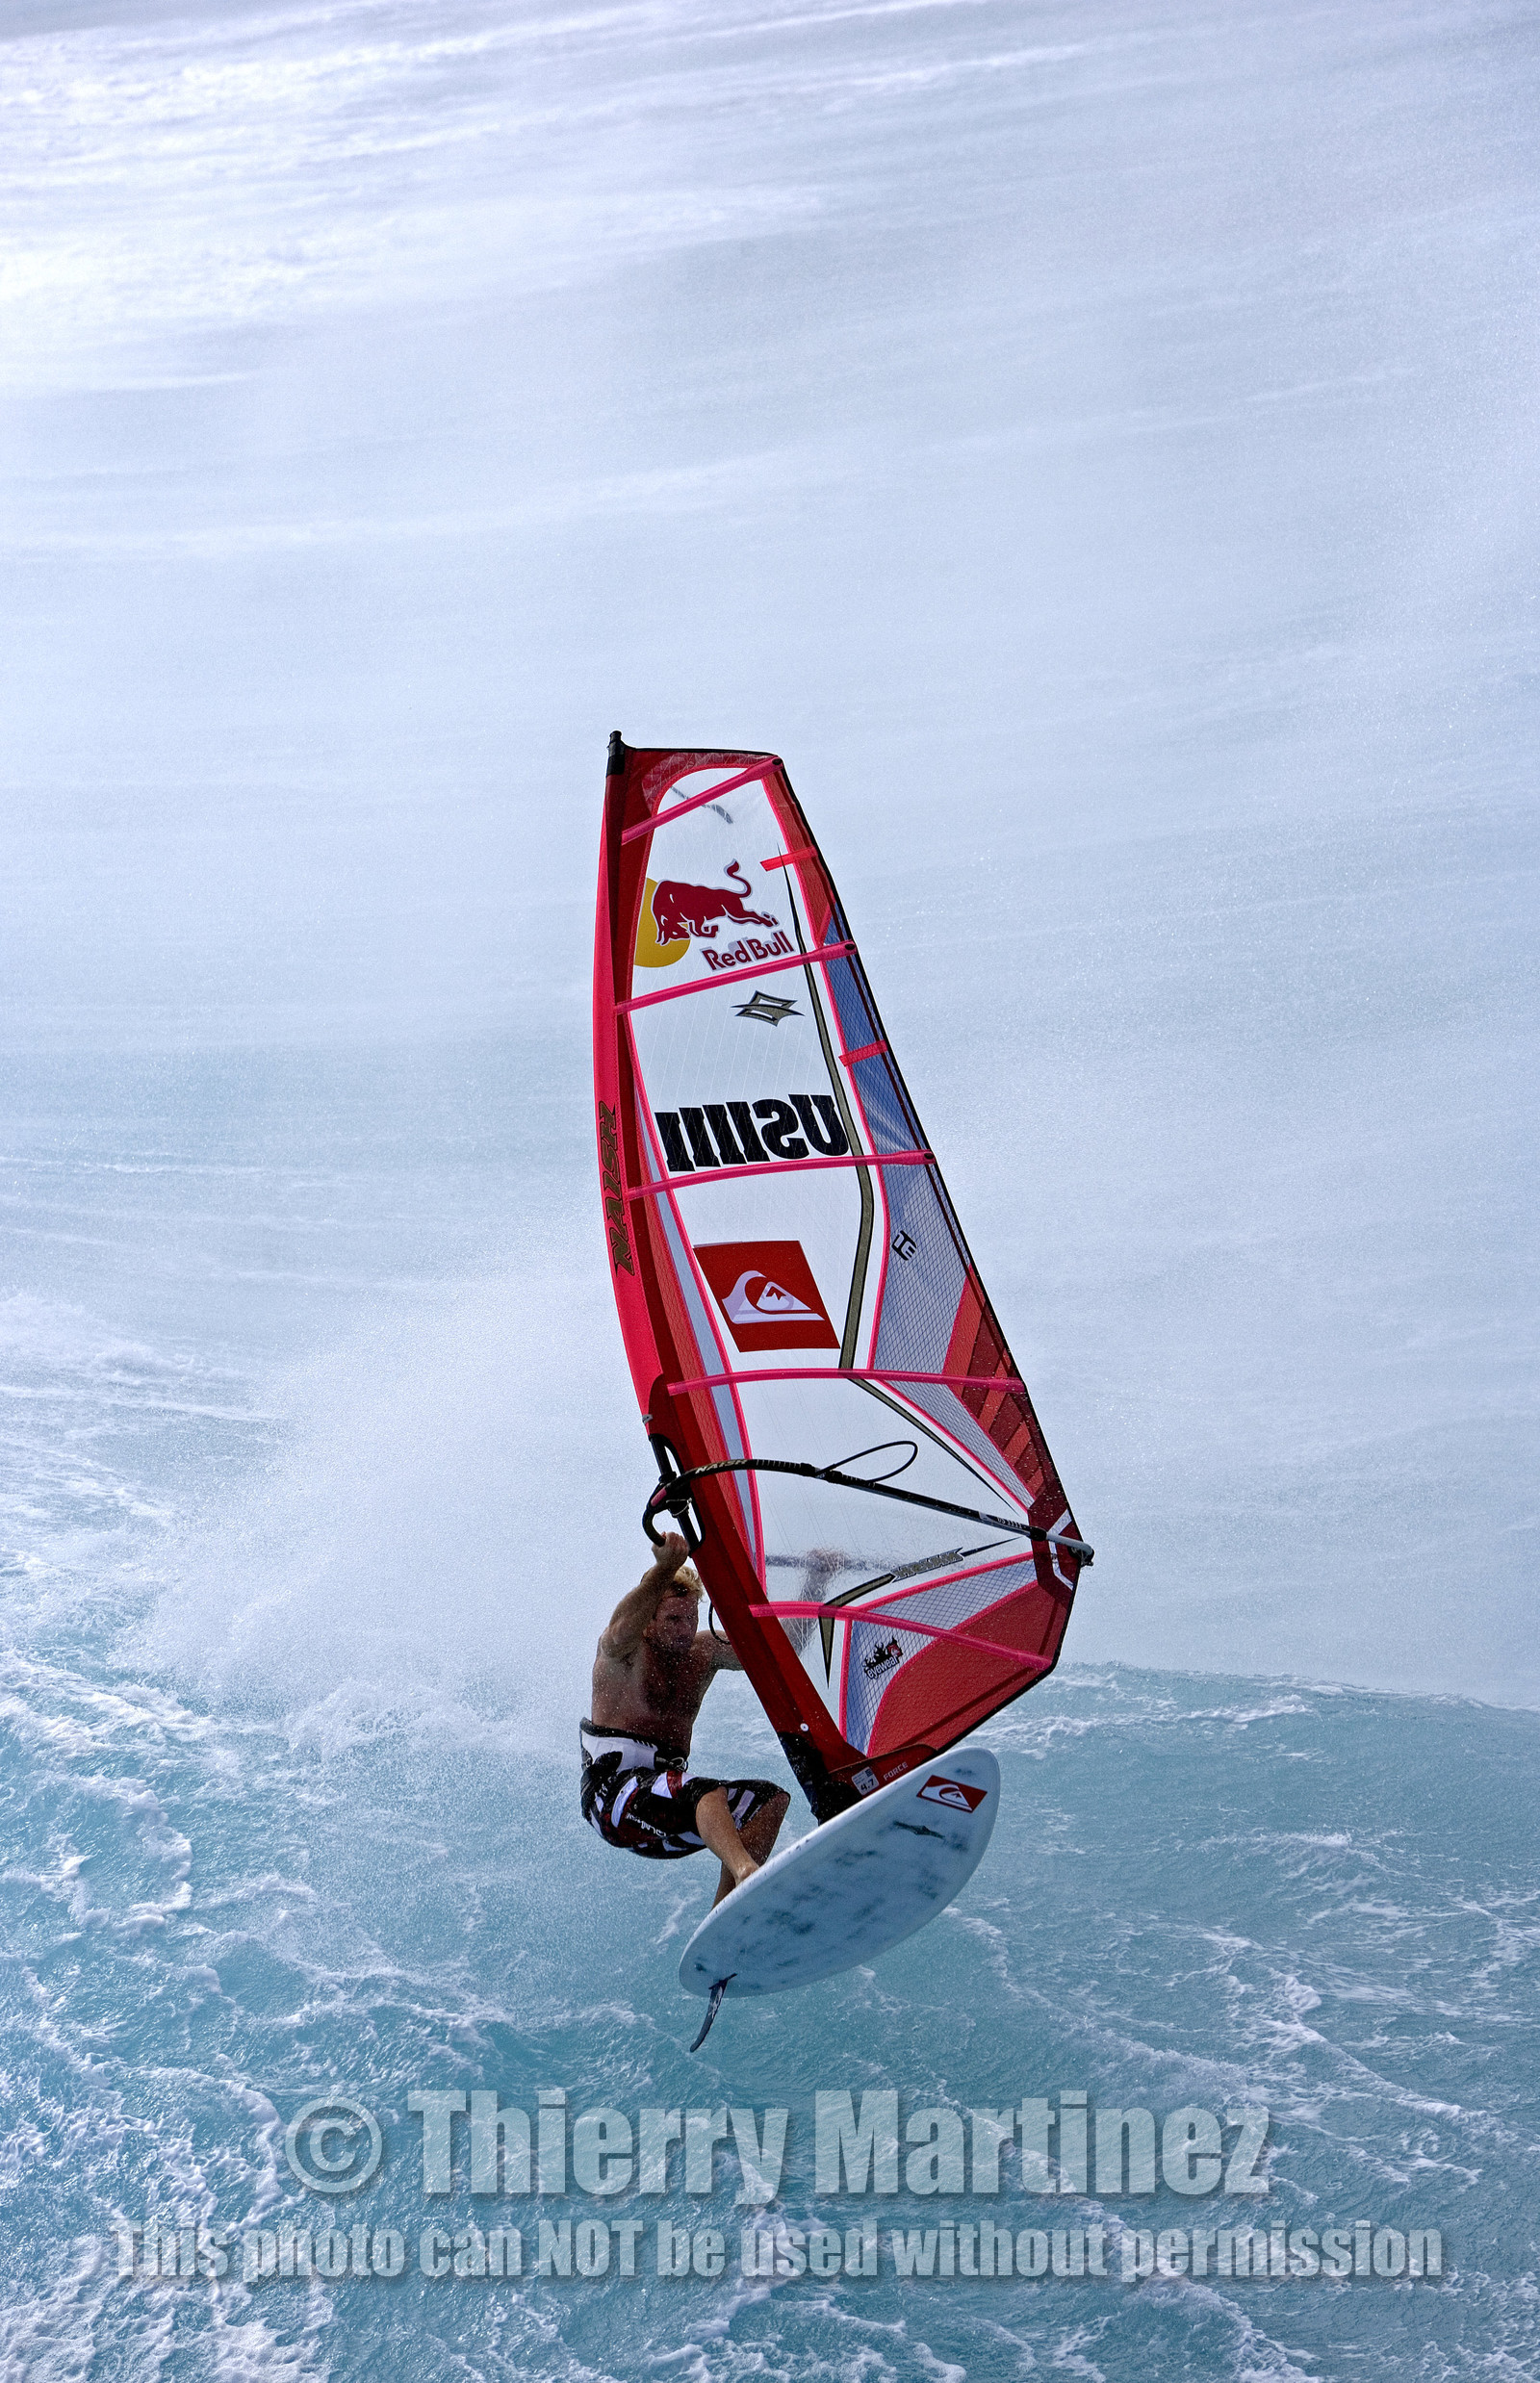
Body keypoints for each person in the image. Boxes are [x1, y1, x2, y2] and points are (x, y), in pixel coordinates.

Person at [582, 1532, 789, 1906]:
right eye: (673, 1619)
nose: (683, 1630)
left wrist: (820, 1579)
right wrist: (664, 1568)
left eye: (690, 1618)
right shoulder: (622, 1653)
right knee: (702, 1791)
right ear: (648, 1619)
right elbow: (620, 1628)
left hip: (665, 1817)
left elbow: (778, 1652)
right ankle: (748, 1874)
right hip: (613, 1799)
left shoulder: (704, 1651)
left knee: (767, 1800)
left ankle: (728, 1913)